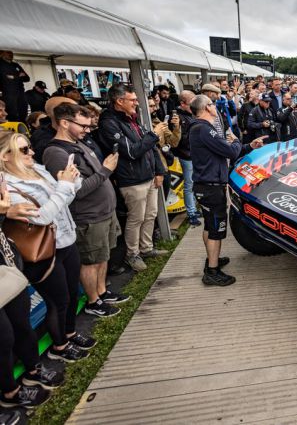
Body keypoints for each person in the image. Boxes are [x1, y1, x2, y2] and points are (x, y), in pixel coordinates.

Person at [0, 131, 93, 363]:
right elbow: (41, 217)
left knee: (72, 294)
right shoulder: (7, 187)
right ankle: (59, 346)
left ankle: (69, 333)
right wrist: (64, 186)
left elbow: (64, 200)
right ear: (4, 156)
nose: (31, 152)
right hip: (40, 251)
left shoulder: (37, 170)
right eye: (23, 150)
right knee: (58, 301)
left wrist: (72, 180)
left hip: (65, 239)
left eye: (29, 147)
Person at [43, 102, 128, 317]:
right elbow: (75, 191)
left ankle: (101, 291)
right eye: (83, 126)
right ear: (64, 123)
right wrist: (105, 171)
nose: (87, 130)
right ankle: (93, 301)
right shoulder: (56, 153)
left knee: (102, 256)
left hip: (104, 212)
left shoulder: (78, 144)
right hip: (88, 217)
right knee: (91, 260)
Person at [188, 95, 266, 286]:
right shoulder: (204, 129)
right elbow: (231, 150)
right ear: (207, 107)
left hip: (206, 185)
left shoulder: (199, 128)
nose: (215, 107)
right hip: (210, 187)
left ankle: (211, 259)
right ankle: (212, 272)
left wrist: (248, 145)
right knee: (216, 229)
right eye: (213, 104)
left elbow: (223, 150)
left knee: (209, 225)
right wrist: (237, 140)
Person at [0, 186, 63, 409]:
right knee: (4, 337)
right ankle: (10, 392)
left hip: (6, 269)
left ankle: (33, 370)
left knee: (21, 323)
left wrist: (5, 212)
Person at [99, 84, 167, 272]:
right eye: (133, 100)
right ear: (119, 101)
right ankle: (132, 254)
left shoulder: (132, 118)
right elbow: (131, 151)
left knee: (150, 214)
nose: (137, 103)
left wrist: (159, 170)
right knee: (136, 218)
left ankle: (146, 248)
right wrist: (154, 135)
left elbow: (150, 148)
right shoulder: (109, 122)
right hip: (131, 179)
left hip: (148, 175)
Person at [171, 90, 201, 227]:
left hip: (193, 154)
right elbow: (179, 140)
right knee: (189, 185)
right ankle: (191, 213)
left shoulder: (191, 114)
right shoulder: (178, 118)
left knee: (194, 183)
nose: (194, 106)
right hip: (186, 155)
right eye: (191, 103)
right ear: (182, 104)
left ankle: (193, 208)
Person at [0, 51, 30, 122]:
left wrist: (13, 77)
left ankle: (23, 128)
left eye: (11, 52)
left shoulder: (15, 65)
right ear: (2, 53)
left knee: (23, 111)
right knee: (11, 114)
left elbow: (27, 78)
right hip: (8, 93)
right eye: (8, 52)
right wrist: (18, 76)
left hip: (20, 92)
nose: (11, 54)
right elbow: (4, 78)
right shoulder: (0, 64)